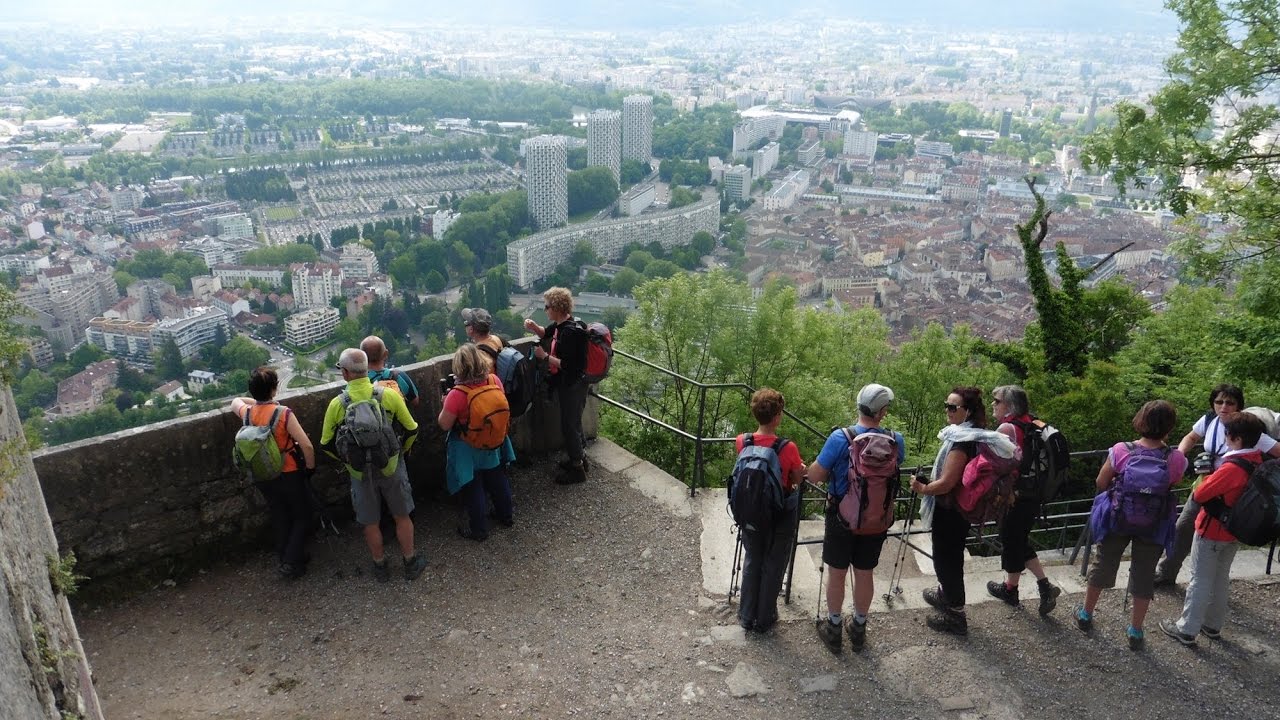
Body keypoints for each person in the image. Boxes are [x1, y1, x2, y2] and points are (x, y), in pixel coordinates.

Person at [1076, 400, 1186, 650]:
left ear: (1141, 421)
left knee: (1103, 562)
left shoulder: (1121, 450)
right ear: (1169, 427)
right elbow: (1172, 482)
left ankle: (1085, 615)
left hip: (1119, 517)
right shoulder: (1175, 458)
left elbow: (1101, 482)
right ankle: (1135, 631)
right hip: (1154, 521)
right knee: (1145, 572)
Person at [1154, 384, 1279, 586]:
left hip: (1233, 492)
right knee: (1184, 527)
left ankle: (1209, 583)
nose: (1223, 407)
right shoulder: (1210, 420)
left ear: (1239, 406)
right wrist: (1180, 455)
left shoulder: (1250, 429)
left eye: (1230, 403)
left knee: (1219, 537)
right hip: (1206, 484)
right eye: (1219, 402)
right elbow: (1191, 436)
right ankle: (1167, 573)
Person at [811, 383, 904, 653]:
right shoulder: (895, 440)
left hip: (841, 515)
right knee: (865, 573)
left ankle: (834, 627)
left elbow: (816, 475)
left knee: (837, 572)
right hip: (876, 518)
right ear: (882, 411)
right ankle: (859, 627)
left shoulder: (841, 438)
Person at [1160, 412, 1266, 647]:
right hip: (1234, 530)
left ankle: (1186, 629)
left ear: (1234, 437)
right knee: (1220, 578)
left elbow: (1199, 495)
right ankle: (1212, 625)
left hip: (1212, 530)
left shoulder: (1232, 467)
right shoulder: (1257, 460)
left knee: (1200, 579)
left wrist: (1207, 475)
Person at [321, 348, 426, 582]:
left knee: (370, 522)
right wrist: (402, 451)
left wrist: (347, 463)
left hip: (359, 471)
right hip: (390, 464)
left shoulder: (337, 405)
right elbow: (412, 429)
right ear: (367, 369)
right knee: (401, 515)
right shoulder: (388, 395)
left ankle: (380, 566)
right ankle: (410, 561)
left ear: (346, 373)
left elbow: (326, 443)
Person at [910, 386, 988, 637]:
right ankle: (946, 596)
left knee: (947, 560)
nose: (947, 410)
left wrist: (921, 487)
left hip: (951, 509)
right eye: (947, 405)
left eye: (953, 407)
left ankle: (956, 614)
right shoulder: (974, 434)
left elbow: (947, 482)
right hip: (961, 509)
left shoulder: (962, 443)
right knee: (949, 556)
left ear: (967, 411)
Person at [230, 367, 317, 579]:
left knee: (279, 514)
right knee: (302, 516)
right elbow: (307, 446)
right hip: (288, 472)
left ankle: (286, 556)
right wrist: (310, 468)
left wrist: (257, 400)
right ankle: (290, 561)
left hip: (262, 475)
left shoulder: (248, 413)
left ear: (252, 391)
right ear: (274, 389)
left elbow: (235, 402)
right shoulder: (283, 413)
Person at [733, 388, 806, 635]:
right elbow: (796, 478)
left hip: (751, 510)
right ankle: (764, 617)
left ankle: (746, 615)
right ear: (777, 417)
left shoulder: (743, 441)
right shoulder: (787, 448)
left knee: (753, 558)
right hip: (779, 512)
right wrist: (801, 469)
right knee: (774, 562)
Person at [986, 385, 1062, 615]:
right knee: (1017, 539)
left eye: (996, 401)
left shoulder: (1007, 428)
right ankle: (1020, 587)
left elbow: (995, 463)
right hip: (1033, 493)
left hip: (1015, 496)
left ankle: (1026, 589)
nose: (993, 404)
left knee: (1011, 539)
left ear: (1009, 406)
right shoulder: (1032, 423)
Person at [438, 343, 516, 541]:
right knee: (498, 480)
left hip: (467, 446)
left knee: (473, 487)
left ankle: (479, 530)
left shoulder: (456, 394)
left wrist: (444, 402)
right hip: (493, 440)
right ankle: (506, 516)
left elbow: (445, 425)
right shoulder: (494, 379)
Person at [523, 287, 589, 485]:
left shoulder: (569, 332)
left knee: (569, 425)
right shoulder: (563, 324)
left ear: (557, 308)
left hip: (573, 384)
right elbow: (545, 333)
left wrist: (545, 358)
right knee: (574, 421)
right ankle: (580, 458)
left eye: (547, 307)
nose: (545, 310)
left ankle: (577, 469)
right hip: (571, 383)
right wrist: (535, 327)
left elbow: (569, 365)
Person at [361, 335, 420, 408]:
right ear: (385, 354)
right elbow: (415, 401)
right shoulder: (398, 376)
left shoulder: (357, 383)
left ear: (363, 358)